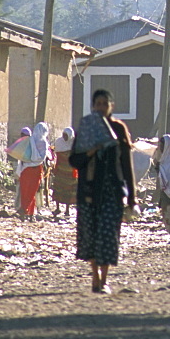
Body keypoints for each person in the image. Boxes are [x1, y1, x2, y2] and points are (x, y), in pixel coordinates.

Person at [70, 89, 138, 294]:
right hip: (89, 190)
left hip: (112, 191)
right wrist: (91, 151)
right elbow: (74, 160)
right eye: (97, 104)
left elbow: (127, 164)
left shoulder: (118, 129)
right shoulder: (87, 128)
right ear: (93, 106)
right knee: (90, 234)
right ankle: (95, 277)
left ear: (111, 106)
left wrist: (132, 198)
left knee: (108, 235)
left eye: (104, 104)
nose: (101, 107)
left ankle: (105, 279)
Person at [19, 122, 50, 221]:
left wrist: (30, 160)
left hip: (26, 168)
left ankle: (26, 211)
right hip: (36, 169)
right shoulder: (44, 143)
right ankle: (29, 213)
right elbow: (42, 157)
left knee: (25, 191)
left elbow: (22, 153)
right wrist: (35, 159)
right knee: (32, 192)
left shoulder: (30, 140)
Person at [52, 127, 77, 216]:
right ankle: (57, 208)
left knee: (69, 191)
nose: (64, 137)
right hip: (60, 170)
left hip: (70, 172)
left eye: (66, 136)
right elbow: (57, 157)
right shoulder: (59, 142)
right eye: (63, 135)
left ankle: (67, 210)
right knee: (58, 189)